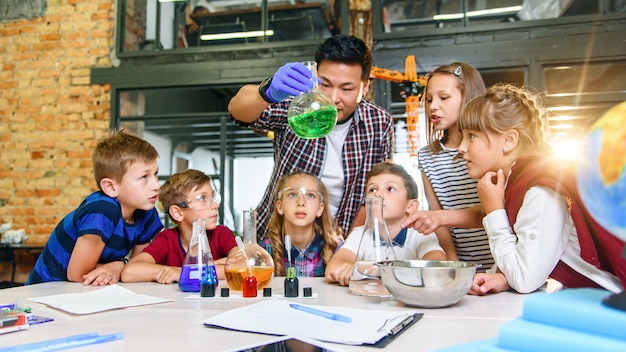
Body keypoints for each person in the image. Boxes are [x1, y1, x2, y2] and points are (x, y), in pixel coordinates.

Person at [457, 83, 625, 295]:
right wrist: (504, 277)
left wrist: (494, 212)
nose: (461, 147)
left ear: (509, 140)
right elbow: (531, 264)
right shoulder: (522, 182)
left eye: (471, 136)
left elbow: (525, 280)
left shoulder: (540, 190)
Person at [228, 34, 394, 240]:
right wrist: (268, 92)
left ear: (365, 87)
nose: (333, 98)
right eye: (325, 84)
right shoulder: (298, 106)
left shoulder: (378, 123)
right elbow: (238, 111)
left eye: (347, 89)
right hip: (277, 240)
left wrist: (349, 249)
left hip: (338, 241)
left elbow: (372, 196)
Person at [26, 130, 163, 286]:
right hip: (46, 292)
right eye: (144, 177)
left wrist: (123, 267)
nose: (156, 185)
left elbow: (136, 269)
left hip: (89, 291)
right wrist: (121, 265)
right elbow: (77, 274)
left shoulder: (147, 213)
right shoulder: (102, 210)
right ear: (111, 187)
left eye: (156, 174)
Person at [403, 62, 494, 271]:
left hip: (501, 261)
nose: (433, 106)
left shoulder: (487, 149)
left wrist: (439, 217)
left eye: (444, 98)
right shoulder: (427, 156)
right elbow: (437, 216)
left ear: (468, 97)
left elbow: (495, 210)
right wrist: (453, 264)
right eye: (428, 99)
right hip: (462, 264)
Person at [325, 161, 447, 286]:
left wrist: (366, 271)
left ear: (411, 206)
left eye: (390, 189)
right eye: (372, 189)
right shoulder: (360, 234)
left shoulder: (420, 234)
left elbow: (438, 267)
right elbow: (333, 269)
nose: (377, 194)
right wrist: (345, 268)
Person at [121, 169, 237, 283]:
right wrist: (191, 272)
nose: (215, 205)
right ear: (178, 213)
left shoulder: (222, 234)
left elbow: (242, 266)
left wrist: (182, 273)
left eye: (213, 197)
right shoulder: (166, 239)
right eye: (202, 198)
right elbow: (129, 272)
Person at [260, 171, 343, 277]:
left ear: (320, 208)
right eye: (292, 194)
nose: (301, 202)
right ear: (279, 206)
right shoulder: (264, 251)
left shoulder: (335, 248)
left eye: (310, 195)